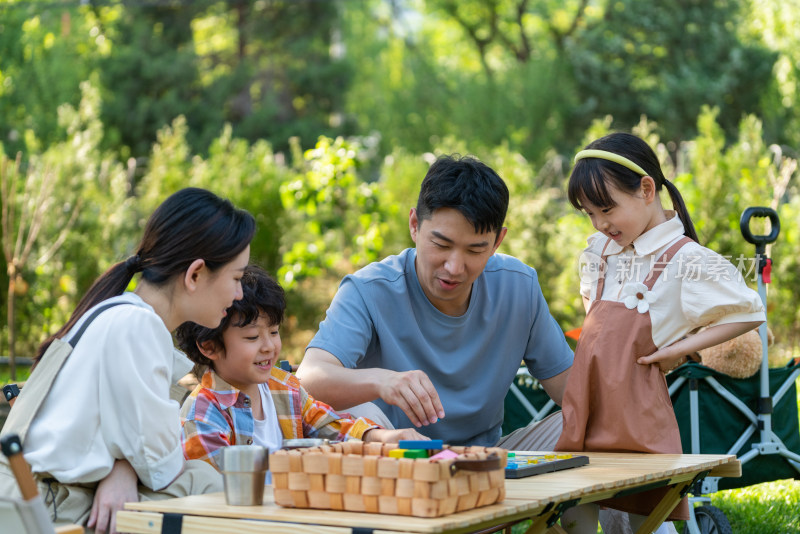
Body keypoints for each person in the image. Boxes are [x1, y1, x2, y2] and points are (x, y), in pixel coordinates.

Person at [0, 187, 255, 534]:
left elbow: (142, 450)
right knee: (210, 486)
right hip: (53, 509)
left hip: (38, 497)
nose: (240, 294)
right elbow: (160, 465)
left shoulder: (116, 313)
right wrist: (128, 468)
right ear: (195, 275)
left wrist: (124, 469)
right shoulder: (137, 325)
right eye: (237, 278)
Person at [555, 132, 765, 534]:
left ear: (647, 189)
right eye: (589, 213)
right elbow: (594, 313)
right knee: (573, 504)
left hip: (636, 406)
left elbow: (749, 311)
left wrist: (680, 349)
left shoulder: (685, 259)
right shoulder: (599, 252)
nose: (600, 223)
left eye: (606, 208)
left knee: (645, 510)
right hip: (587, 399)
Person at [296, 154, 574, 449]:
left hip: (488, 458)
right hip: (397, 454)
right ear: (414, 225)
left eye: (475, 250)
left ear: (497, 242)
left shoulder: (519, 285)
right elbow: (309, 380)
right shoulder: (368, 290)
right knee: (359, 413)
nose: (454, 267)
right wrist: (382, 381)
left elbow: (573, 392)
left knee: (582, 422)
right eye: (441, 245)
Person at [176, 265, 427, 470]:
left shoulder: (285, 388)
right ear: (209, 347)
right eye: (252, 337)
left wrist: (381, 437)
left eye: (274, 332)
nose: (269, 346)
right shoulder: (202, 414)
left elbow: (331, 425)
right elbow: (214, 491)